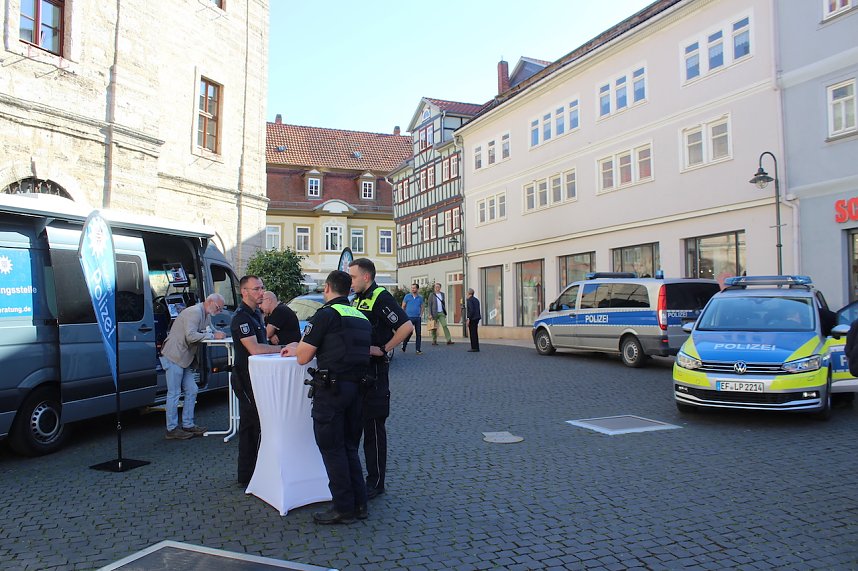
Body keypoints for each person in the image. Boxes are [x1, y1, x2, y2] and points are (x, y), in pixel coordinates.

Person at [280, 270, 371, 524]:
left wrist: (298, 346)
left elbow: (303, 357)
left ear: (328, 288)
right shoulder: (360, 316)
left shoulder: (325, 315)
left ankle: (343, 507)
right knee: (350, 447)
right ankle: (360, 503)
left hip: (332, 391)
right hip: (358, 390)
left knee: (332, 449)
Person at [349, 258, 413, 499]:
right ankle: (358, 479)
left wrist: (384, 348)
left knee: (373, 431)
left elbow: (406, 327)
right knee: (356, 428)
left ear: (366, 277)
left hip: (374, 374)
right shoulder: (358, 299)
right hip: (357, 373)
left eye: (353, 277)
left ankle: (376, 483)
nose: (350, 282)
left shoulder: (380, 297)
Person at [230, 275, 285, 485]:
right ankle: (246, 476)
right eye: (256, 289)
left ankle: (255, 472)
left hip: (257, 378)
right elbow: (255, 349)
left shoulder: (255, 314)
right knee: (250, 427)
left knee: (256, 426)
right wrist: (282, 349)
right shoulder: (242, 317)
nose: (261, 292)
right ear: (244, 292)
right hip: (245, 379)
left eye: (262, 288)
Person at [160, 293, 226, 439]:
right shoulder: (194, 312)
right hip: (174, 355)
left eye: (221, 309)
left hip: (184, 357)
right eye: (218, 307)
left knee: (192, 389)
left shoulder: (206, 313)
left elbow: (211, 330)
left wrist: (218, 333)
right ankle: (171, 429)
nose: (219, 311)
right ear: (209, 302)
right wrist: (213, 336)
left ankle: (188, 425)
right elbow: (191, 336)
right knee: (174, 392)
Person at [400, 283, 424, 354]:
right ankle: (404, 346)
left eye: (414, 288)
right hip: (409, 318)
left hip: (417, 318)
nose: (412, 289)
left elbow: (422, 307)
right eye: (412, 288)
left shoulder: (420, 298)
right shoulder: (407, 296)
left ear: (417, 289)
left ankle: (418, 350)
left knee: (418, 334)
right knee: (409, 333)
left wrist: (420, 315)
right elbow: (403, 306)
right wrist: (404, 316)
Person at [466, 288, 481, 353]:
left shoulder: (469, 300)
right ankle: (476, 347)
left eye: (467, 293)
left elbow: (471, 310)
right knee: (475, 333)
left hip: (472, 318)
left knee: (472, 333)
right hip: (477, 318)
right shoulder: (476, 300)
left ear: (469, 293)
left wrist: (469, 318)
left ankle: (474, 347)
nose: (466, 294)